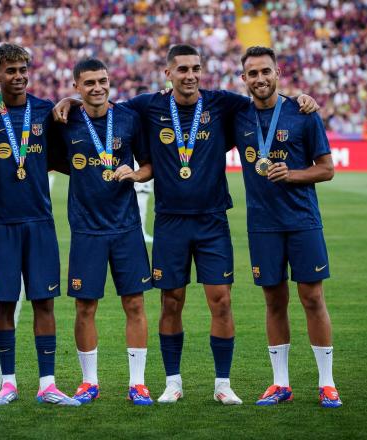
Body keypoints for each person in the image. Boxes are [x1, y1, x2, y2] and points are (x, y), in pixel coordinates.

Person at [52, 44, 318, 405]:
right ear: (168, 74)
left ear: (202, 71)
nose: (190, 75)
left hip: (212, 219)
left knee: (221, 301)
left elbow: (266, 97)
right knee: (171, 302)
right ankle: (173, 382)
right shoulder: (148, 106)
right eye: (182, 70)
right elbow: (100, 104)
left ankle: (222, 384)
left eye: (195, 68)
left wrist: (301, 98)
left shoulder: (223, 103)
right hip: (170, 221)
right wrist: (70, 98)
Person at [0, 43, 78, 406]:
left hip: (40, 221)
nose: (18, 76)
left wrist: (73, 100)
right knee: (4, 303)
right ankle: (9, 383)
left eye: (23, 69)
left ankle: (48, 384)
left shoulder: (46, 112)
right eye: (10, 70)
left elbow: (71, 153)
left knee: (44, 302)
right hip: (0, 223)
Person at [233, 46, 341, 408]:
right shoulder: (237, 116)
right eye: (253, 74)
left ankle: (327, 383)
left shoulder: (302, 113)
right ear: (243, 79)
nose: (260, 79)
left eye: (266, 71)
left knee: (312, 298)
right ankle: (280, 384)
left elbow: (326, 168)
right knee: (273, 301)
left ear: (278, 73)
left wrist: (292, 174)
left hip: (302, 221)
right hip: (262, 225)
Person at [50, 58, 154, 405]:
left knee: (135, 303)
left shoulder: (128, 119)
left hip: (126, 227)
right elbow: (51, 159)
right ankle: (88, 381)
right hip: (86, 228)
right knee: (85, 307)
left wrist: (136, 175)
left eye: (103, 80)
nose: (98, 87)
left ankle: (137, 383)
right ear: (76, 86)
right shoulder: (65, 120)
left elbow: (149, 164)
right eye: (89, 82)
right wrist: (64, 104)